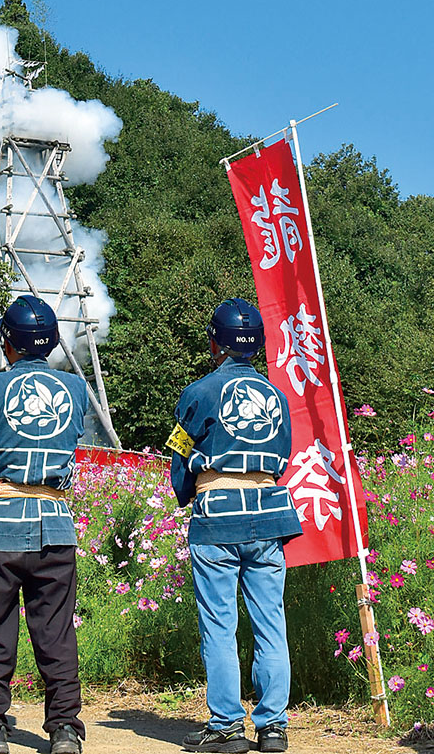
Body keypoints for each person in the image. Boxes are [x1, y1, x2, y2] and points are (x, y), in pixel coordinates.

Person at [0, 294, 89, 754]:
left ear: (8, 343)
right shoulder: (77, 390)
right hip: (56, 526)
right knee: (56, 629)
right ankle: (64, 729)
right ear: (53, 343)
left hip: (0, 527)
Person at [169, 299, 302, 754]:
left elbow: (180, 461)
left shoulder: (199, 392)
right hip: (269, 515)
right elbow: (282, 458)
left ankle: (226, 726)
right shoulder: (277, 396)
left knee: (219, 625)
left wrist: (188, 495)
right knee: (271, 624)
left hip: (217, 520)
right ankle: (273, 728)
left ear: (215, 343)